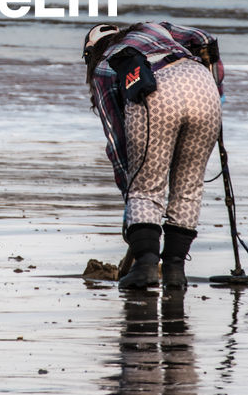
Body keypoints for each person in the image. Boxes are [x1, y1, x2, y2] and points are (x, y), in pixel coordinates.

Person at [83, 20, 225, 291]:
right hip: (201, 85)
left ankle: (146, 266)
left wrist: (131, 203)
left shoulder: (104, 67)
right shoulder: (154, 27)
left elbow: (118, 143)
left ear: (91, 52)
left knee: (145, 187)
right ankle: (174, 271)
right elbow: (204, 39)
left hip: (155, 92)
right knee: (189, 186)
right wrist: (217, 90)